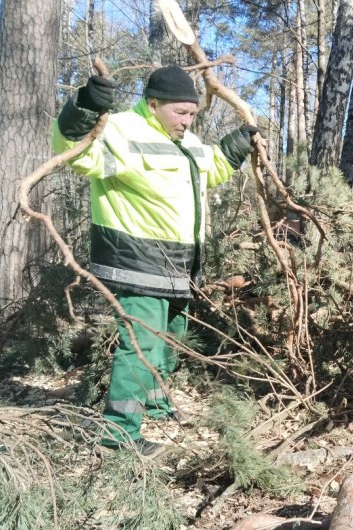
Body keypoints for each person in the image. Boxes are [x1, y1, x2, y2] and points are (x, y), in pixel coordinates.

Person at [53, 66, 258, 457]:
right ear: (153, 104)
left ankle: (155, 405)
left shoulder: (187, 140)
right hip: (136, 262)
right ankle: (118, 435)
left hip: (179, 268)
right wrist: (84, 107)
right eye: (181, 112)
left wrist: (235, 146)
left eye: (193, 114)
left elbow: (210, 169)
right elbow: (73, 150)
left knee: (169, 342)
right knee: (141, 346)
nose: (187, 120)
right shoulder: (122, 130)